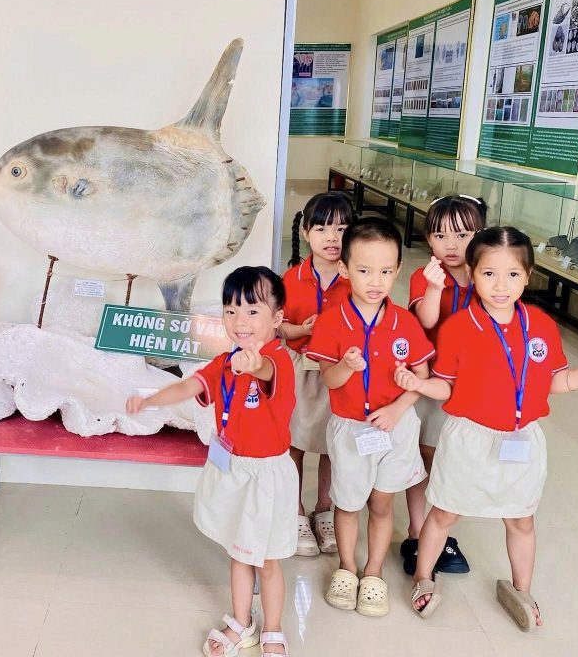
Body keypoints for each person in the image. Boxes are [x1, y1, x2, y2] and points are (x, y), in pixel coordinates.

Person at [399, 227, 578, 630]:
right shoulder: (458, 327)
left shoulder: (540, 325)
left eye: (512, 274)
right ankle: (423, 577)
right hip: (470, 436)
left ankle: (523, 589)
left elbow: (556, 381)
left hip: (522, 439)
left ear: (528, 275)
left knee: (521, 519)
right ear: (472, 272)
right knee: (445, 512)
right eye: (489, 274)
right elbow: (447, 386)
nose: (500, 285)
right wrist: (418, 384)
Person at [127, 266, 297, 657]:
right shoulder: (225, 362)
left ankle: (273, 628)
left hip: (267, 476)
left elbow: (265, 370)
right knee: (238, 552)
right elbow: (191, 385)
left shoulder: (277, 361)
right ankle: (242, 622)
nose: (240, 321)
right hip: (233, 469)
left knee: (268, 561)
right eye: (231, 310)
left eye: (252, 311)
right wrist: (151, 400)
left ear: (277, 318)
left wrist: (252, 366)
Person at [305, 218, 433, 617]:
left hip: (396, 427)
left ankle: (373, 572)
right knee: (347, 503)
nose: (375, 281)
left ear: (397, 270)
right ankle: (346, 567)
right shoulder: (332, 320)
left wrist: (398, 407)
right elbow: (328, 378)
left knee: (382, 502)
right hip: (350, 429)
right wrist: (345, 366)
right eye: (363, 270)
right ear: (344, 269)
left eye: (385, 271)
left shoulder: (405, 322)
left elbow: (422, 379)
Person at [401, 195, 486, 576]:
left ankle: (441, 529)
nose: (451, 245)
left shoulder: (486, 274)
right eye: (440, 235)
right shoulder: (426, 276)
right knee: (426, 456)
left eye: (462, 235)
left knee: (457, 459)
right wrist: (435, 288)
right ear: (428, 239)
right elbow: (426, 320)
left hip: (473, 386)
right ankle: (418, 532)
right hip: (431, 381)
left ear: (480, 234)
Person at [279, 191, 355, 556]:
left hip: (338, 372)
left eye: (342, 228)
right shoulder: (290, 278)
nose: (332, 237)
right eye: (322, 228)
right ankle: (294, 511)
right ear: (306, 232)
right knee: (294, 442)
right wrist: (301, 330)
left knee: (331, 444)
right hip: (299, 368)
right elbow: (277, 326)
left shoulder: (357, 279)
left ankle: (324, 509)